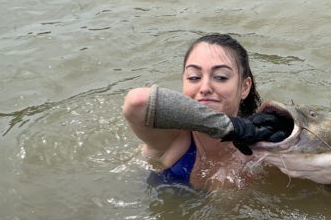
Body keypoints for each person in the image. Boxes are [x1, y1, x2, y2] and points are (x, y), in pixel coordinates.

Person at [122, 33, 290, 189]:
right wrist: (232, 128)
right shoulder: (174, 139)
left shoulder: (262, 148)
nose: (205, 88)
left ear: (244, 87)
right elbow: (137, 102)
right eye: (194, 77)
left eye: (221, 77)